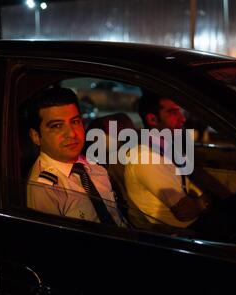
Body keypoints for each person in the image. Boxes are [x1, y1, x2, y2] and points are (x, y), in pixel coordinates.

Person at [26, 87, 126, 227]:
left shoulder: (90, 164)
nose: (72, 134)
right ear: (36, 136)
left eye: (75, 122)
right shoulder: (45, 188)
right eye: (57, 126)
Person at [124, 93, 210, 230]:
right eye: (173, 112)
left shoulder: (170, 148)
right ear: (152, 119)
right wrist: (203, 203)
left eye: (181, 112)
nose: (182, 119)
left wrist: (201, 202)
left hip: (192, 225)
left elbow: (196, 188)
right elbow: (186, 212)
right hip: (172, 233)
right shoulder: (146, 158)